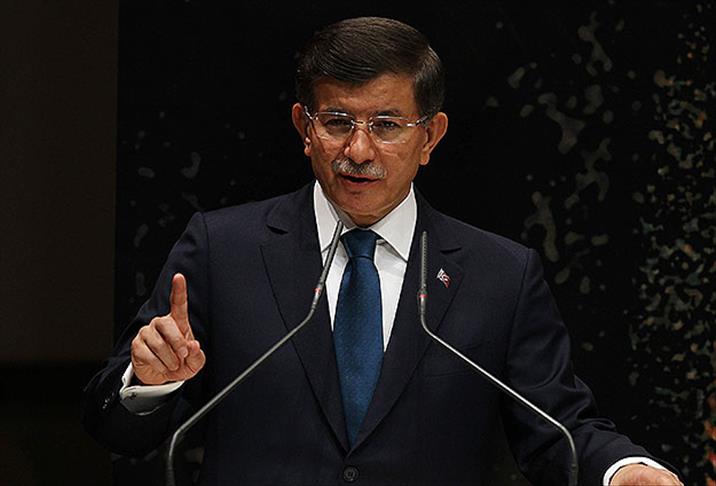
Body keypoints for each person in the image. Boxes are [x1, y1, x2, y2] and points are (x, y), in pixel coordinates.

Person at [83, 17, 683, 485]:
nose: (360, 151)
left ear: (431, 137)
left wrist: (624, 471)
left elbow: (560, 429)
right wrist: (150, 383)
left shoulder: (499, 275)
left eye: (388, 125)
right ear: (304, 128)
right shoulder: (223, 250)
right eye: (337, 121)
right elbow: (114, 428)